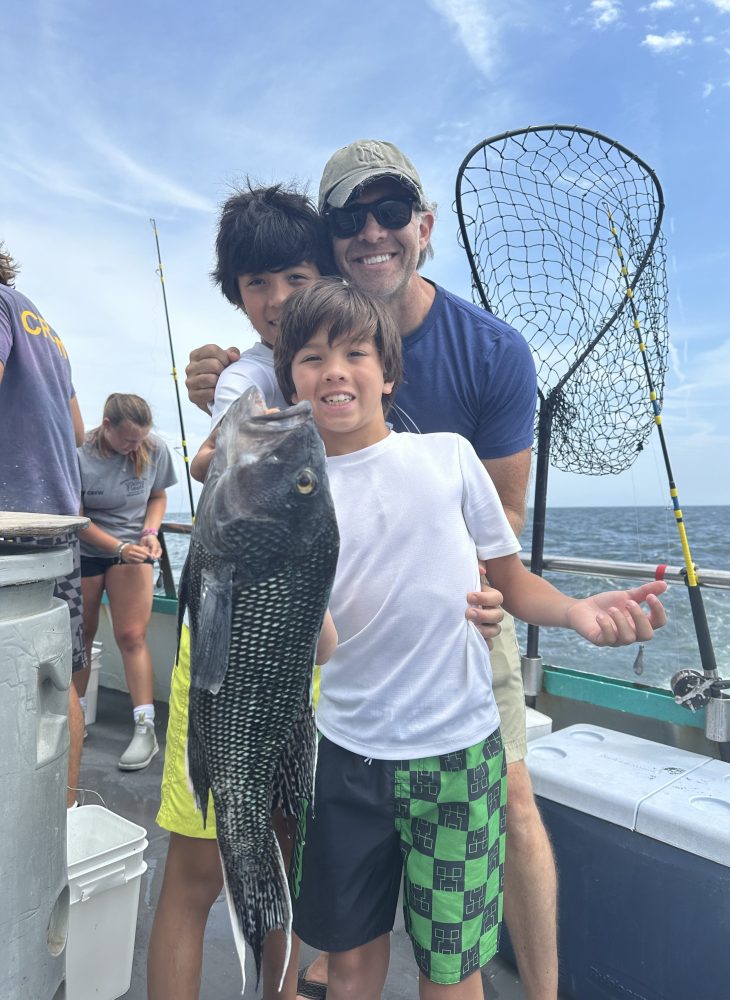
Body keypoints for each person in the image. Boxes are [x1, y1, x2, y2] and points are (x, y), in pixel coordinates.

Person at [184, 139, 556, 999]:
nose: (374, 231)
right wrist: (220, 412)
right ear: (333, 239)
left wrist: (493, 594)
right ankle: (325, 958)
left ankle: (539, 991)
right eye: (352, 218)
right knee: (322, 812)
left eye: (392, 214)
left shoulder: (491, 350)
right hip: (332, 641)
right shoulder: (276, 362)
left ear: (422, 228)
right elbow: (235, 425)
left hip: (460, 623)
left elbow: (502, 519)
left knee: (516, 802)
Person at [273, 277, 667, 999]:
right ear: (291, 384)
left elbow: (513, 584)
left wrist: (578, 612)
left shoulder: (449, 457)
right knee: (351, 963)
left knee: (451, 969)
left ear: (389, 374)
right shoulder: (290, 491)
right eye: (310, 357)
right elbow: (318, 644)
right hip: (345, 755)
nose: (334, 369)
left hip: (457, 758)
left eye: (356, 352)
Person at [0, 243, 86, 810]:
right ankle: (66, 820)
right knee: (58, 686)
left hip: (10, 527)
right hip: (58, 524)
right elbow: (77, 430)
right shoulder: (43, 326)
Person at [76, 392, 177, 770]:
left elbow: (158, 496)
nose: (136, 446)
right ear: (106, 427)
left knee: (131, 636)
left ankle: (145, 727)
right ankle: (78, 717)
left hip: (134, 549)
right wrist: (116, 546)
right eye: (128, 440)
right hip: (88, 548)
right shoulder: (79, 453)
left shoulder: (153, 448)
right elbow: (78, 516)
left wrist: (150, 532)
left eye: (141, 438)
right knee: (81, 635)